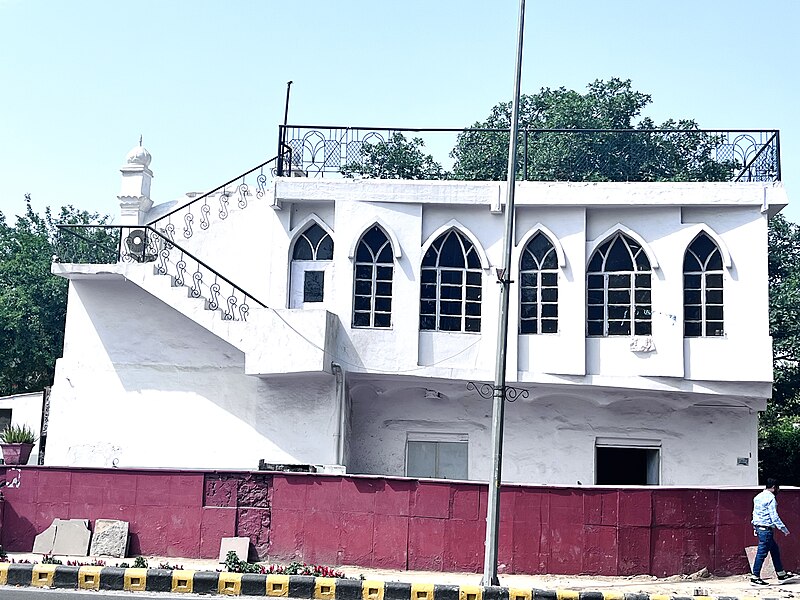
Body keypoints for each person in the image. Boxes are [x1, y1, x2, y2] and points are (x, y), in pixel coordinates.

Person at [751, 478, 796, 586]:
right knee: (761, 553)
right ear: (774, 487)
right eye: (778, 488)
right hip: (766, 530)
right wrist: (784, 529)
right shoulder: (771, 498)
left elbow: (755, 513)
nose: (778, 490)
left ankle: (781, 574)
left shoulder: (758, 497)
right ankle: (755, 577)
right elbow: (774, 517)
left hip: (760, 527)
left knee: (774, 550)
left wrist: (755, 526)